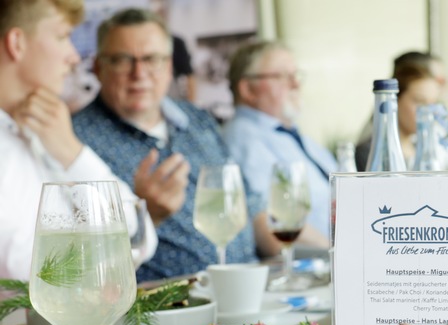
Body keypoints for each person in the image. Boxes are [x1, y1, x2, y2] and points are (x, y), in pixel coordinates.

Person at [72, 8, 282, 282]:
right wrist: (146, 215)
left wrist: (297, 262)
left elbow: (250, 206)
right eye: (123, 60)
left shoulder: (198, 119)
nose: (139, 73)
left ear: (169, 67)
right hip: (168, 310)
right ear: (98, 68)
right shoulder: (75, 141)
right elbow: (83, 265)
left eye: (151, 59)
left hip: (252, 285)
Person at [0, 0, 157, 280]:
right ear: (17, 43)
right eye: (62, 36)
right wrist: (115, 254)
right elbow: (29, 276)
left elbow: (138, 232)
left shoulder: (41, 132)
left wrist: (71, 152)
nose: (74, 56)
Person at [223, 41, 337, 241]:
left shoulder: (292, 134)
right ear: (248, 90)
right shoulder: (243, 138)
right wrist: (341, 254)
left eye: (296, 75)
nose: (296, 84)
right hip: (315, 261)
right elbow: (276, 220)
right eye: (282, 76)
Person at [355, 61, 440, 171]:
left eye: (433, 103)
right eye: (420, 102)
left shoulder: (423, 149)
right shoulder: (370, 152)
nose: (428, 111)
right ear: (395, 101)